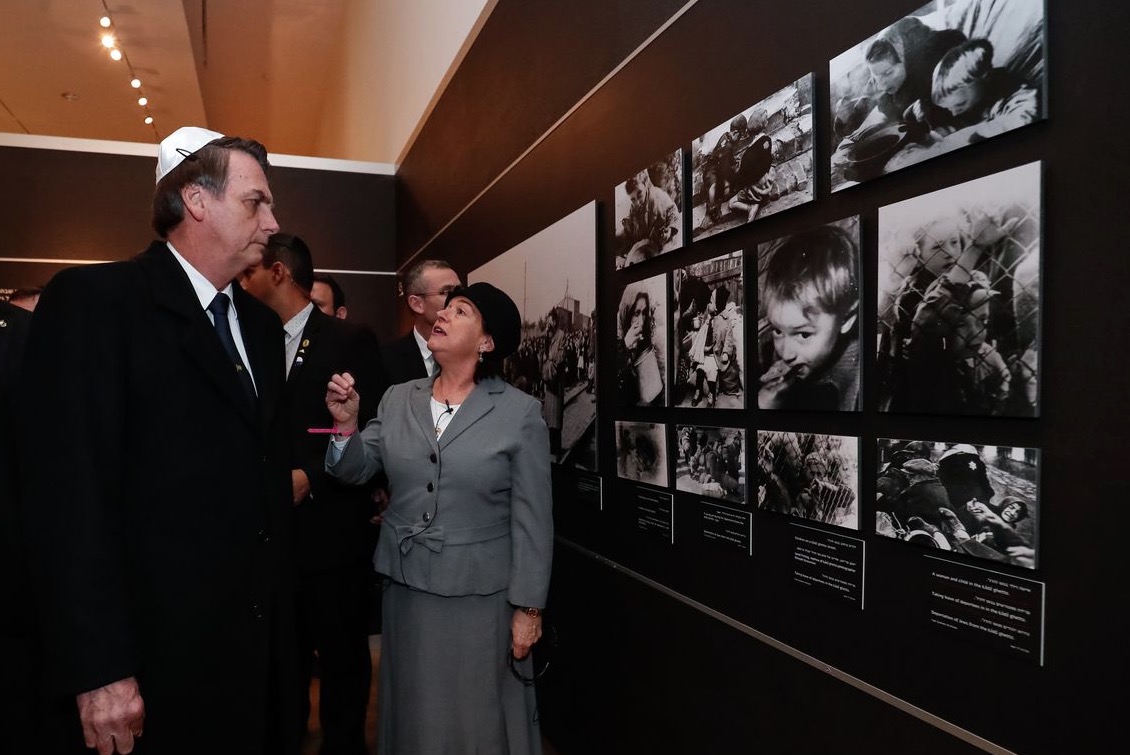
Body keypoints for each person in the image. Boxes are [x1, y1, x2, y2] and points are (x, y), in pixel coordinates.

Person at [18, 126, 300, 755]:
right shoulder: (96, 306)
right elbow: (68, 501)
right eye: (256, 201)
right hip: (152, 668)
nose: (273, 221)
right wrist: (99, 669)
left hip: (254, 667)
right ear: (196, 200)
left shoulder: (258, 325)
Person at [323, 282, 552, 755]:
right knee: (414, 713)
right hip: (407, 595)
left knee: (475, 719)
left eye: (461, 310)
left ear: (486, 342)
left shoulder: (519, 414)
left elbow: (533, 519)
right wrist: (345, 427)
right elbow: (356, 469)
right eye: (445, 307)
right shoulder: (398, 398)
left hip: (479, 600)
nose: (444, 315)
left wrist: (529, 609)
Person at [240, 232, 387, 754]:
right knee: (284, 665)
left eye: (248, 271)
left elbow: (369, 431)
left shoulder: (348, 340)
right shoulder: (247, 338)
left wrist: (310, 474)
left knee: (344, 664)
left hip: (331, 539)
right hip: (271, 540)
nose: (240, 280)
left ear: (277, 272)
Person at [758, 224, 860, 411]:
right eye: (778, 330)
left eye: (804, 335)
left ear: (846, 319)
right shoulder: (771, 353)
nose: (785, 353)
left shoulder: (859, 382)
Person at [380, 259, 462, 384]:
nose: (457, 299)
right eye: (447, 292)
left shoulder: (475, 354)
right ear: (417, 304)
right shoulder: (385, 359)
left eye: (460, 291)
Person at [616, 169, 680, 267]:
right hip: (648, 247)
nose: (637, 202)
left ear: (645, 185)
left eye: (639, 194)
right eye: (633, 199)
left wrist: (670, 230)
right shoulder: (633, 208)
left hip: (665, 243)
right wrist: (628, 228)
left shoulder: (658, 196)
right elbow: (633, 234)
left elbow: (673, 212)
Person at [617, 284, 664, 406]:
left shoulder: (644, 334)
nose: (641, 321)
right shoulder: (616, 334)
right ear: (627, 312)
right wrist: (625, 346)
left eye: (643, 313)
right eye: (636, 313)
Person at [541, 309, 567, 457]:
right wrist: (546, 337)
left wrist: (551, 356)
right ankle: (549, 448)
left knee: (556, 418)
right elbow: (544, 354)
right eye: (547, 320)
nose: (548, 323)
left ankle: (556, 450)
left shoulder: (561, 335)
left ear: (555, 321)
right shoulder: (548, 336)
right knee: (548, 417)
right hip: (549, 381)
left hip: (556, 381)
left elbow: (561, 356)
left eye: (550, 320)